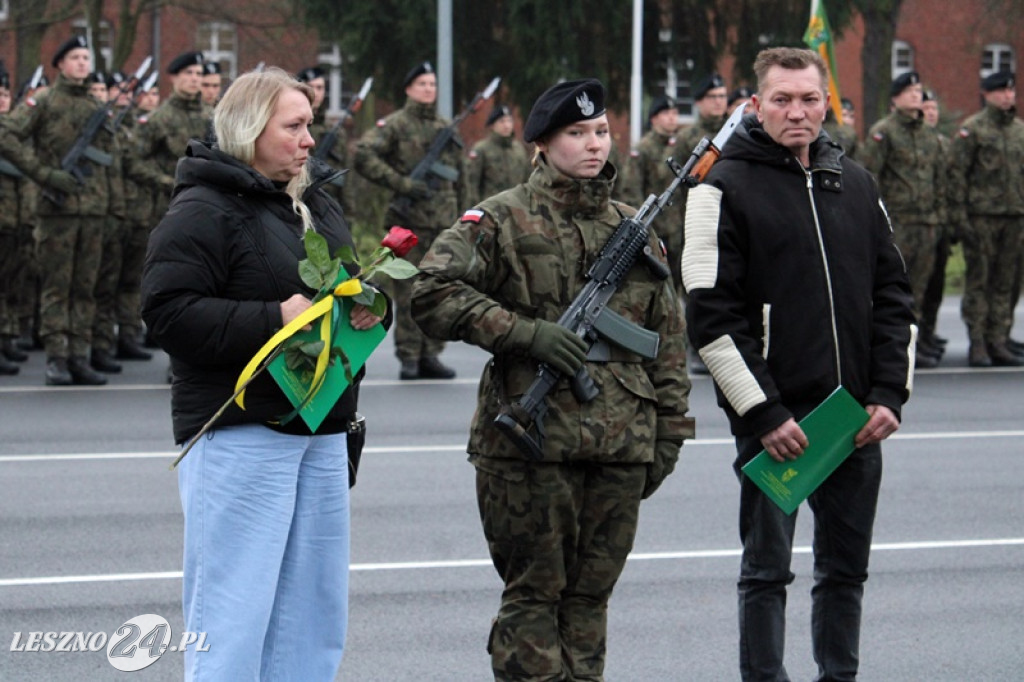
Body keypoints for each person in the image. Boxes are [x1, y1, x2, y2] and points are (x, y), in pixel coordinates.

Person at [412, 78, 693, 682]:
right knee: (535, 597)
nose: (594, 145)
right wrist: (521, 332)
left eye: (600, 131)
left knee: (590, 601)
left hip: (621, 447)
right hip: (530, 447)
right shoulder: (502, 217)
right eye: (576, 133)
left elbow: (667, 339)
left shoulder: (632, 227)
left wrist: (668, 434)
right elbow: (430, 290)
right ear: (541, 143)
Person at [141, 67, 386, 681]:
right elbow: (166, 312)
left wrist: (366, 304)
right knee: (233, 611)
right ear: (251, 129)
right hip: (242, 430)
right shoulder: (202, 208)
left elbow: (344, 284)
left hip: (321, 425)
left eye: (311, 125)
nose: (310, 140)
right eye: (294, 126)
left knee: (312, 613)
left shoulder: (313, 203)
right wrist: (274, 317)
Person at [682, 47, 915, 682]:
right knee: (766, 574)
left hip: (855, 421)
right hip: (778, 424)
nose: (797, 111)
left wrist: (890, 393)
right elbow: (710, 319)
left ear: (825, 104)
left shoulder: (858, 184)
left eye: (809, 99)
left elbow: (896, 296)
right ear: (755, 106)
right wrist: (763, 412)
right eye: (782, 99)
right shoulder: (719, 188)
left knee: (846, 572)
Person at [0, 36, 124, 386]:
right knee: (58, 287)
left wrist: (114, 210)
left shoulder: (94, 104)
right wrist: (43, 174)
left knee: (85, 288)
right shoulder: (43, 101)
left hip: (94, 209)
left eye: (86, 57)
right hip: (57, 210)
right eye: (75, 57)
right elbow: (6, 135)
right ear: (60, 64)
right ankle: (56, 357)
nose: (83, 63)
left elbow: (110, 161)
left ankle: (79, 356)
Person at [354, 60, 464, 380]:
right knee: (408, 288)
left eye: (432, 84)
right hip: (409, 220)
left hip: (443, 220)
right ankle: (409, 355)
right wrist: (401, 183)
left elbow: (461, 175)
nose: (429, 89)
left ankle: (431, 353)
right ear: (408, 89)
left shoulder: (446, 127)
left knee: (439, 287)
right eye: (422, 84)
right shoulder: (396, 125)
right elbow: (363, 154)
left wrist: (465, 215)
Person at [860, 72, 946, 367]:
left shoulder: (929, 135)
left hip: (927, 223)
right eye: (909, 90)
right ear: (895, 98)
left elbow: (939, 179)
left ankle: (915, 344)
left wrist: (940, 216)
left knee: (920, 289)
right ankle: (889, 348)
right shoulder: (884, 132)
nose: (916, 95)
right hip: (897, 224)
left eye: (919, 90)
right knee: (894, 289)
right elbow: (869, 177)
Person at [949, 70, 1024, 367]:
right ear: (987, 94)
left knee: (1007, 281)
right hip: (981, 217)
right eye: (1001, 92)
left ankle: (999, 338)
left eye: (1011, 91)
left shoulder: (1019, 130)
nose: (1007, 96)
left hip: (1015, 216)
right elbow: (957, 175)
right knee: (980, 281)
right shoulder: (973, 129)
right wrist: (960, 217)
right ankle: (978, 342)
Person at [135, 51, 211, 222]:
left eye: (199, 74)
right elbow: (136, 160)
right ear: (174, 78)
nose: (194, 79)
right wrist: (166, 181)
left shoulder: (211, 116)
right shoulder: (159, 118)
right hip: (169, 204)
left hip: (207, 203)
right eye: (188, 73)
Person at [622, 94, 685, 295]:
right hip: (656, 230)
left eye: (675, 113)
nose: (672, 118)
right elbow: (632, 190)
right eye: (666, 113)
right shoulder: (643, 149)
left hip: (679, 231)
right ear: (654, 118)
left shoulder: (679, 148)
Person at [918, 88, 953, 356]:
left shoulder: (942, 143)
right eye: (926, 107)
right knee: (914, 287)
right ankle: (914, 341)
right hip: (913, 223)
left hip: (939, 222)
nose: (931, 113)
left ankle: (927, 334)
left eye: (934, 109)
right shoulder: (911, 139)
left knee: (935, 284)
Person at [297, 65, 352, 215]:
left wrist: (348, 213)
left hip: (330, 206)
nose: (316, 92)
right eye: (310, 86)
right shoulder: (292, 128)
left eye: (320, 87)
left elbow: (345, 173)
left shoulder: (336, 132)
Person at [464, 103, 531, 207]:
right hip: (491, 209)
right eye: (502, 121)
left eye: (509, 121)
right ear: (492, 125)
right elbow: (472, 184)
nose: (506, 125)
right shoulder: (482, 149)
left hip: (516, 208)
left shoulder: (518, 149)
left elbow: (527, 180)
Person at [679, 72, 728, 150]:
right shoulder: (686, 136)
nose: (718, 101)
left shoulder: (733, 130)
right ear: (698, 101)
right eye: (712, 96)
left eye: (722, 96)